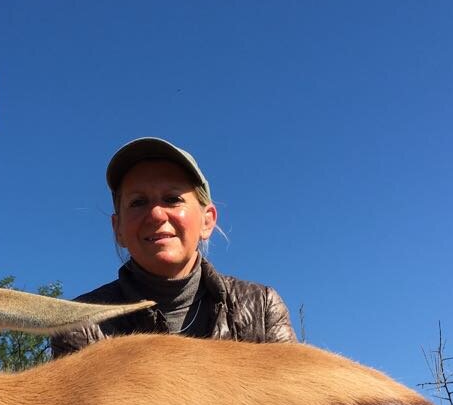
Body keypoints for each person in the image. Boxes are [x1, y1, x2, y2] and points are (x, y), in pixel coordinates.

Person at [50, 137, 295, 359]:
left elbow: (296, 398)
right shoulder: (81, 324)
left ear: (207, 220)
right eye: (138, 202)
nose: (156, 214)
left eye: (172, 199)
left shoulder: (262, 306)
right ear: (118, 229)